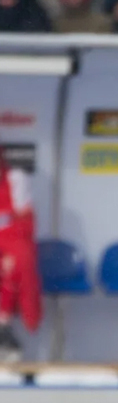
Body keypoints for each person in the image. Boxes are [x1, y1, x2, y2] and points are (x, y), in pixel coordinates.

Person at [0, 147, 41, 362]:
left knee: (18, 261)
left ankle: (3, 331)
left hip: (12, 239)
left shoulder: (16, 178)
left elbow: (24, 221)